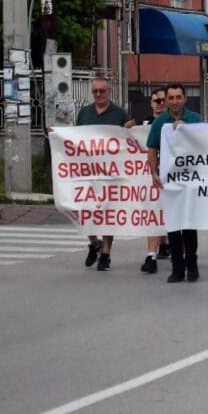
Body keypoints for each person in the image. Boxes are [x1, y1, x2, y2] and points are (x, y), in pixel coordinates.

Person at [147, 83, 203, 283]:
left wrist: (186, 130)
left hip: (190, 181)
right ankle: (177, 268)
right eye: (170, 98)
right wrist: (154, 172)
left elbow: (204, 143)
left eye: (178, 97)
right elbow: (152, 149)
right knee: (173, 226)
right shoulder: (160, 123)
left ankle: (192, 266)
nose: (174, 101)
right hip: (169, 182)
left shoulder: (195, 119)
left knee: (188, 224)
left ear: (185, 99)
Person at [76, 75, 131, 272]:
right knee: (82, 209)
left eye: (102, 91)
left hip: (110, 172)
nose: (98, 94)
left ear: (109, 92)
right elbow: (74, 141)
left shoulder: (120, 114)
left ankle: (106, 253)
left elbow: (128, 141)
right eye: (95, 91)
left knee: (108, 212)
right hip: (87, 171)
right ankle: (94, 242)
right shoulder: (84, 113)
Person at [140, 87, 169, 274]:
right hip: (152, 177)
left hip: (172, 176)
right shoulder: (143, 125)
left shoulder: (173, 123)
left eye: (162, 100)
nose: (159, 104)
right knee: (154, 212)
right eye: (155, 101)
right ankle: (151, 254)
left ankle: (167, 244)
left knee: (168, 214)